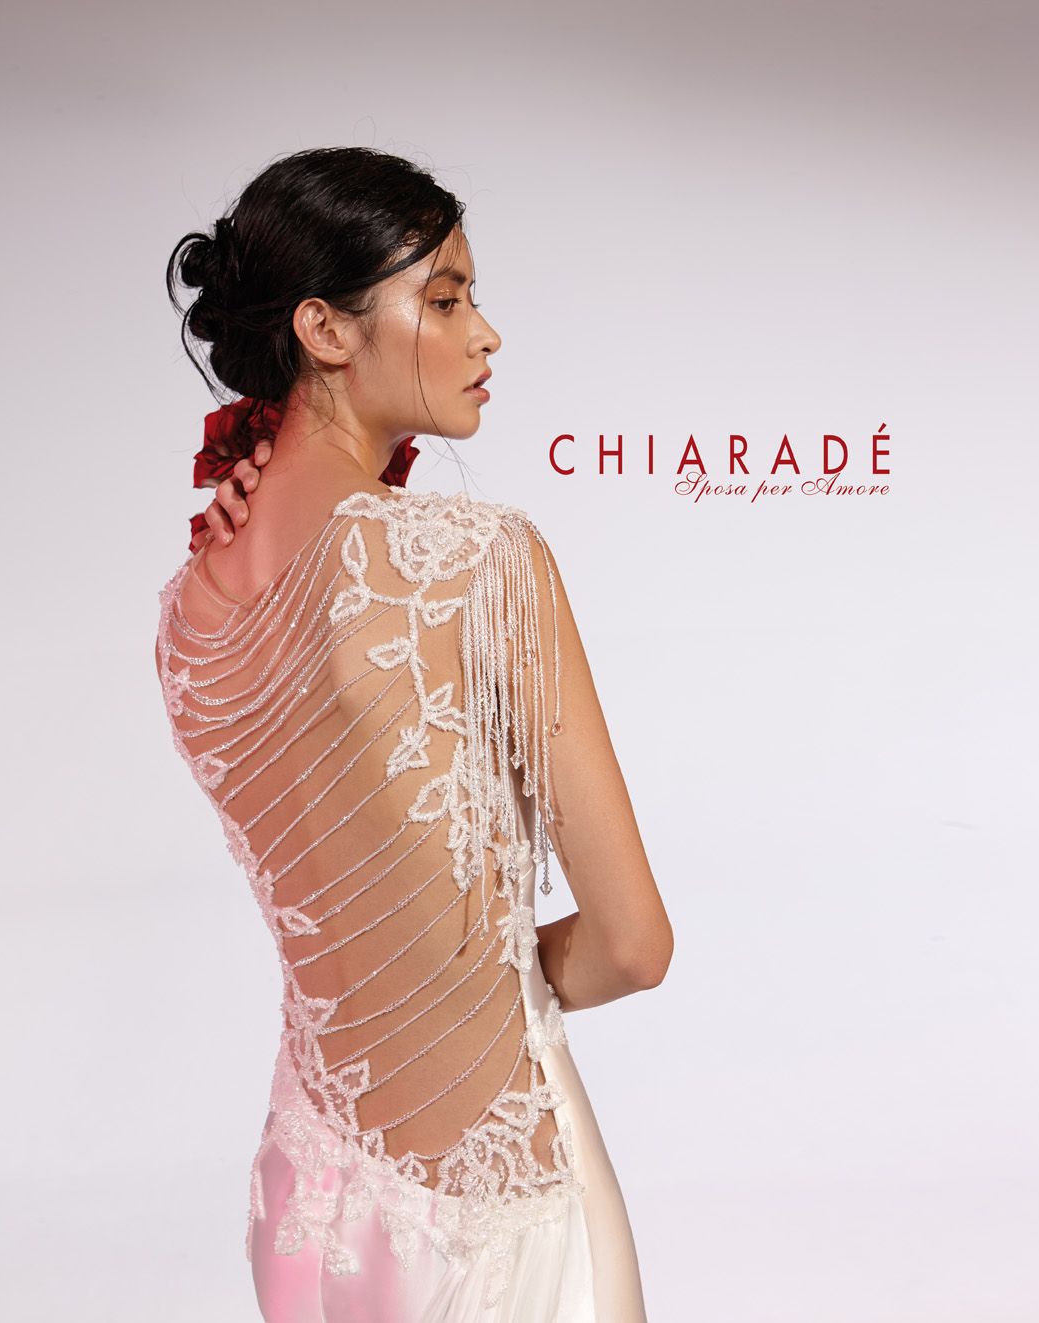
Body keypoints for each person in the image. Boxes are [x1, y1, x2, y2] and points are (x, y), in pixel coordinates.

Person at [155, 146, 673, 1323]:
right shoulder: (477, 562)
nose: (485, 334)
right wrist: (482, 978)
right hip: (497, 1208)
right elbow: (633, 945)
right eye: (443, 300)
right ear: (324, 330)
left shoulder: (189, 612)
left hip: (307, 1197)